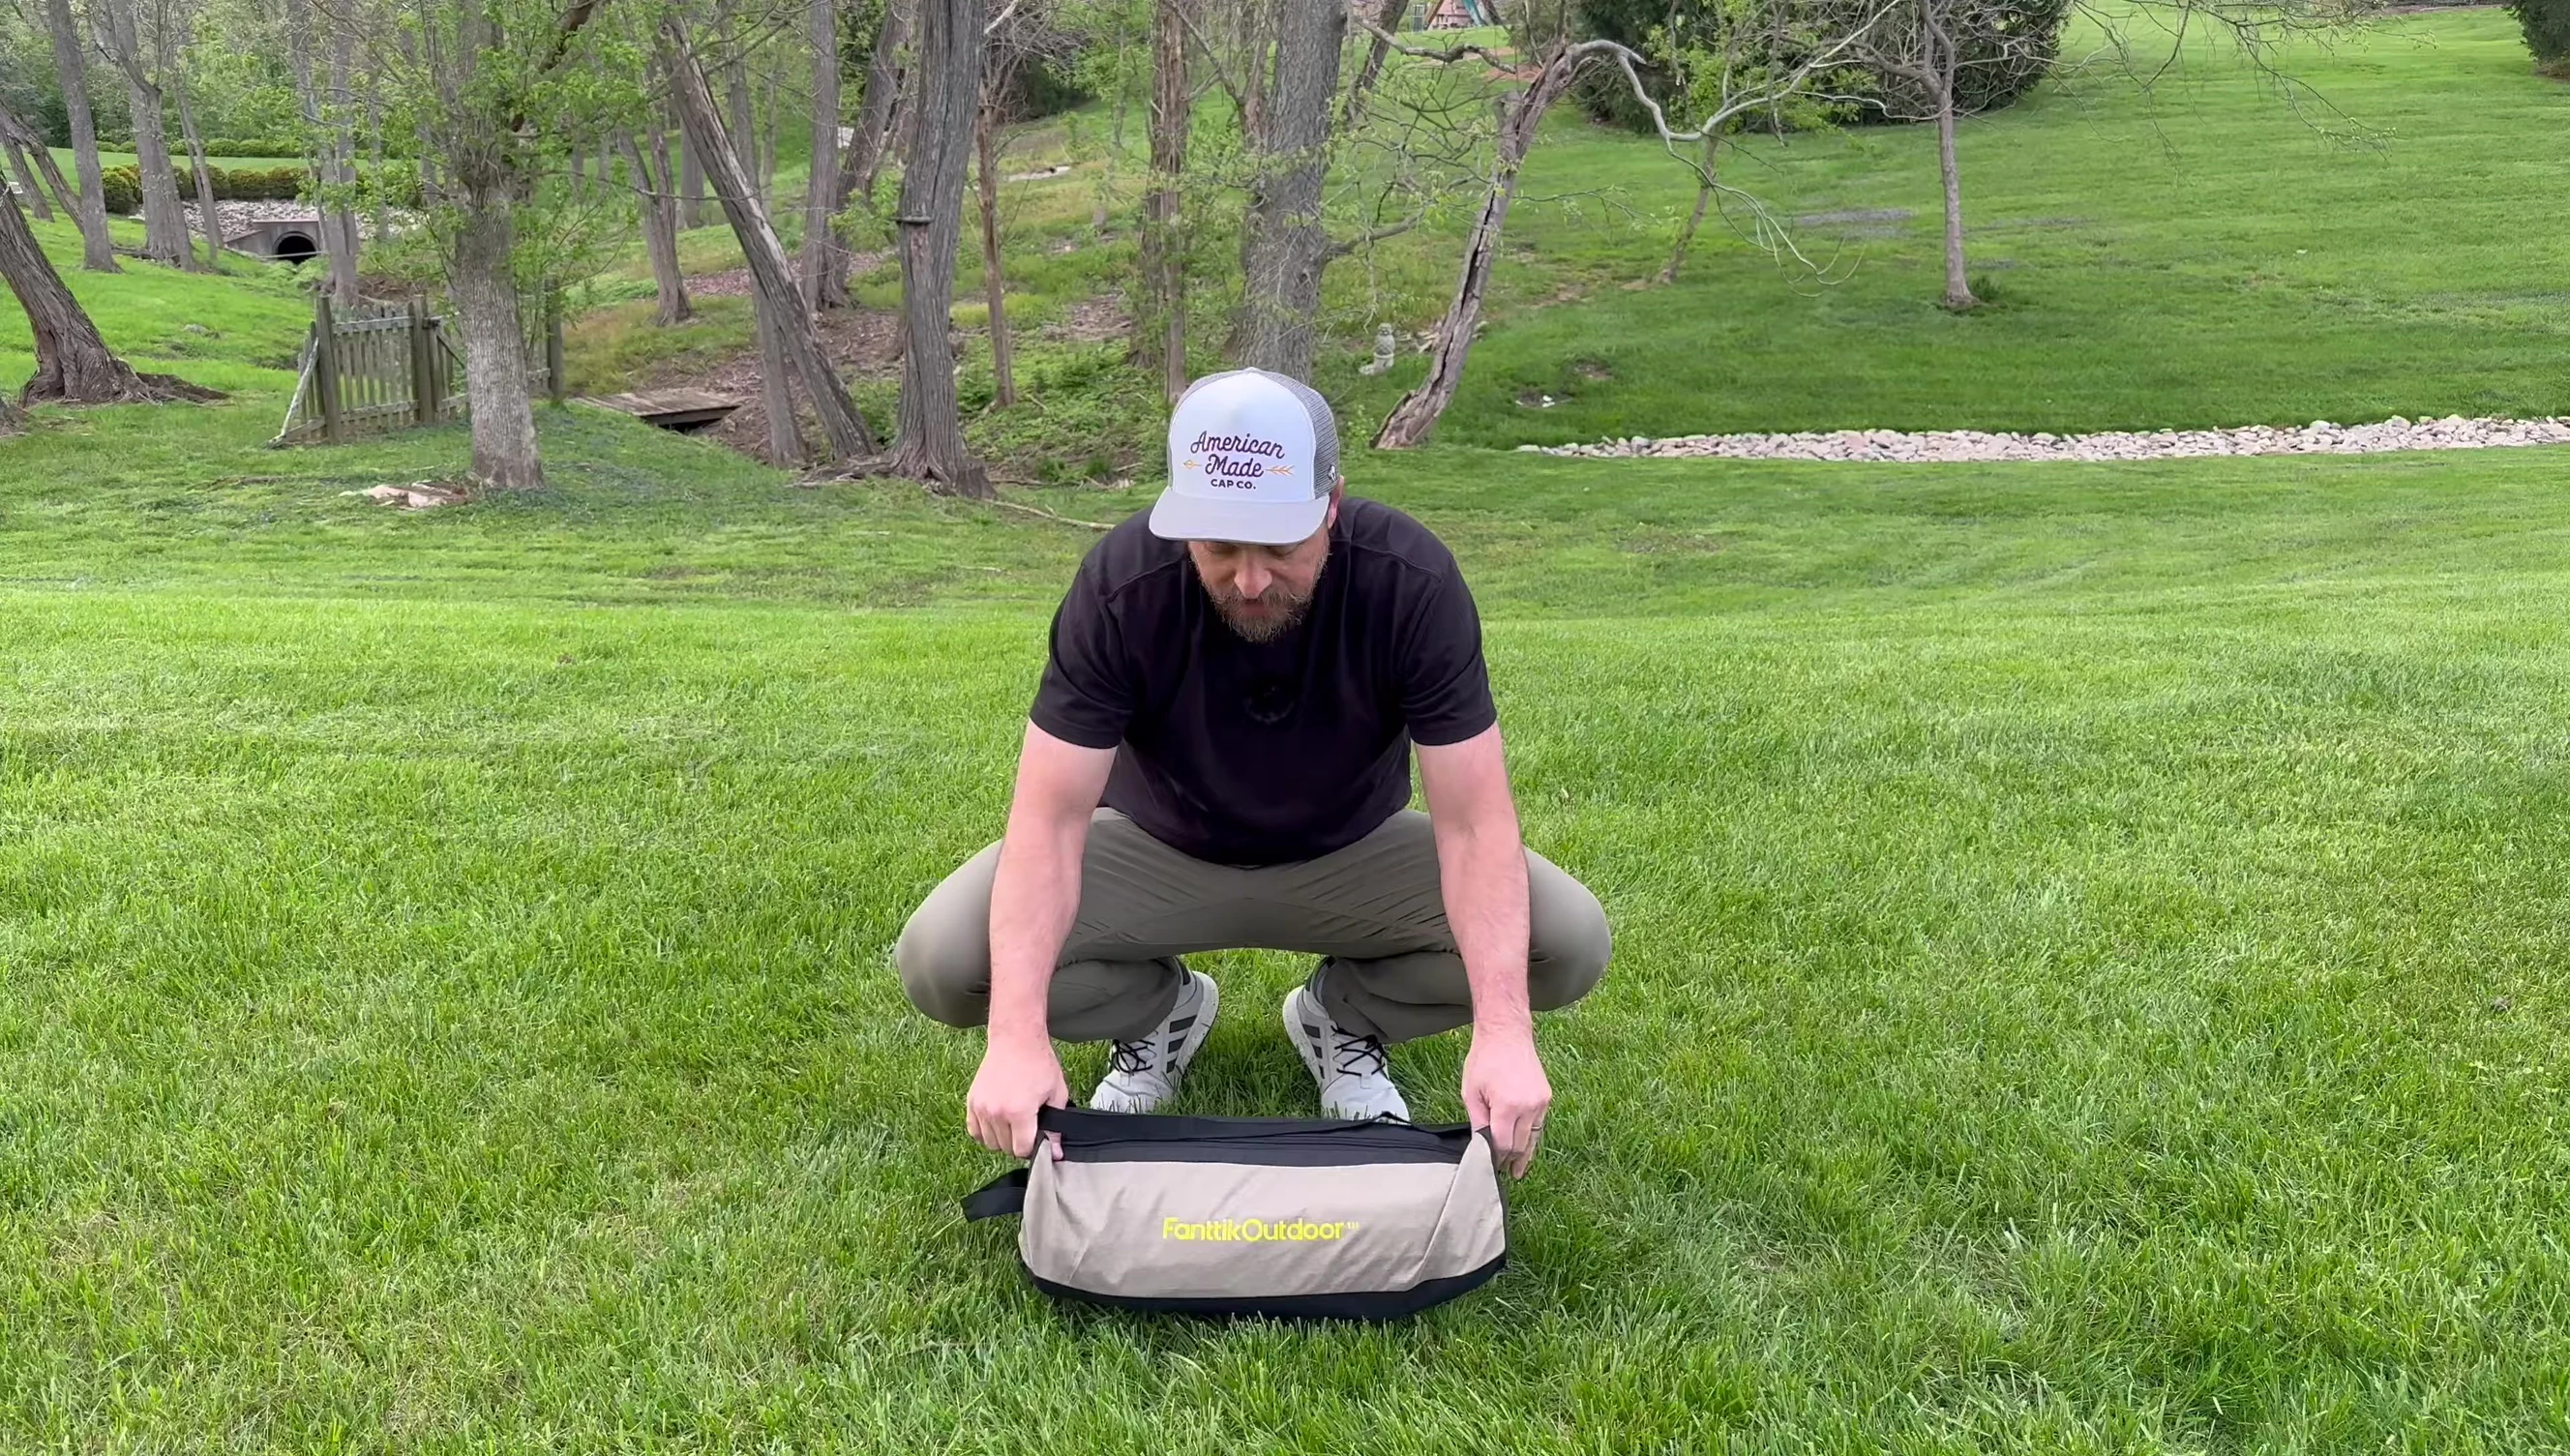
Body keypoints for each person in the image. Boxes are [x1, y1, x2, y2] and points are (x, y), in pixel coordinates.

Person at [895, 368, 1610, 1179]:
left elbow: (1475, 824)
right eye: (1219, 546)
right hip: (1157, 850)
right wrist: (1016, 1037)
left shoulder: (1411, 581)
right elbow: (1050, 823)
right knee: (944, 961)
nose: (1249, 580)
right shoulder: (1119, 585)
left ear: (1331, 505)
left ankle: (1344, 1017)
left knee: (1566, 942)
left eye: (1278, 547)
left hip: (1352, 853)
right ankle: (1159, 1012)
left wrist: (1505, 1035)